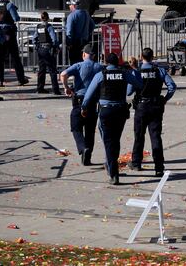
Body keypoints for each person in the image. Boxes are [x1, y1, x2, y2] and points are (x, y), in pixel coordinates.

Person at [81, 53, 142, 184]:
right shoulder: (124, 73)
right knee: (115, 140)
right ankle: (111, 166)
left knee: (108, 142)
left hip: (106, 110)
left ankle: (113, 173)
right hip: (120, 110)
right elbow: (138, 84)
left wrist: (84, 107)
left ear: (106, 62)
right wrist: (134, 71)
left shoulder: (101, 75)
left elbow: (89, 94)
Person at [128, 47, 177, 177]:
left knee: (139, 135)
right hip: (155, 106)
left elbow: (129, 92)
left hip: (141, 106)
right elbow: (172, 86)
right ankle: (159, 167)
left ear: (141, 57)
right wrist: (165, 99)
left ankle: (136, 163)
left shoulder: (137, 72)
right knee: (155, 136)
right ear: (152, 56)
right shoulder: (159, 70)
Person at [60, 44, 104, 165]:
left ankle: (82, 147)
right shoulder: (99, 67)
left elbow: (63, 74)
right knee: (90, 131)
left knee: (76, 128)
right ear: (94, 55)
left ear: (84, 54)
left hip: (79, 100)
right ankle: (87, 157)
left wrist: (66, 87)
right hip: (93, 102)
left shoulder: (79, 65)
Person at [0, 0, 30, 86]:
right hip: (9, 32)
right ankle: (21, 79)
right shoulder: (9, 5)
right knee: (15, 57)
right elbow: (16, 18)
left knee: (0, 58)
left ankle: (0, 80)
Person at [33, 11, 61, 94]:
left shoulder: (38, 27)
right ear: (48, 18)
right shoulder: (49, 27)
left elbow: (34, 38)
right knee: (52, 70)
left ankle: (40, 88)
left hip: (40, 49)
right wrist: (56, 47)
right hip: (48, 49)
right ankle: (55, 90)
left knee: (41, 70)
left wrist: (37, 46)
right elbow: (54, 39)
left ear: (40, 18)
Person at [65, 0, 95, 66]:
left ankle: (76, 76)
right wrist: (87, 34)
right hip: (85, 41)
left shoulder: (71, 16)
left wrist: (69, 43)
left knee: (74, 62)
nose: (69, 6)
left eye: (70, 5)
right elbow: (92, 25)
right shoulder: (86, 13)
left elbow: (69, 31)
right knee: (83, 61)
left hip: (75, 43)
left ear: (74, 6)